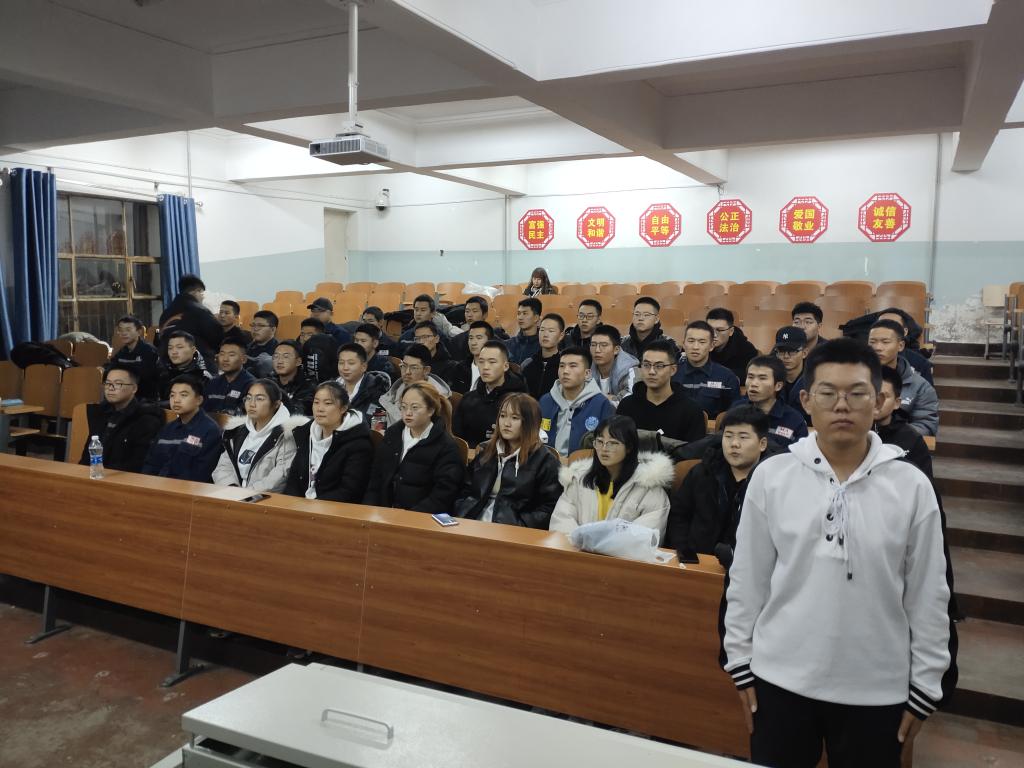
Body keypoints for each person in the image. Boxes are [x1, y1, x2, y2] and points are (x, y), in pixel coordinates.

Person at [722, 338, 954, 768]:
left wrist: (925, 685)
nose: (842, 406)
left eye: (857, 393)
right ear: (806, 401)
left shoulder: (911, 487)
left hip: (878, 689)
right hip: (779, 680)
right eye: (828, 393)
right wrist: (739, 660)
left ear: (879, 401)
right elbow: (748, 577)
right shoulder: (773, 476)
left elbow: (928, 593)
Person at [666, 405, 783, 559]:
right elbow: (679, 516)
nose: (734, 443)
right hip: (696, 562)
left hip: (748, 567)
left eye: (743, 437)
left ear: (762, 444)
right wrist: (684, 552)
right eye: (728, 436)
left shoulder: (775, 483)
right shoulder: (702, 472)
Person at [549, 415, 673, 542]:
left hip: (621, 554)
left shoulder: (650, 489)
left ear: (629, 447)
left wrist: (600, 546)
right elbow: (560, 521)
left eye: (613, 443)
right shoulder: (578, 479)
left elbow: (646, 537)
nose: (604, 449)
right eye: (599, 442)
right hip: (577, 551)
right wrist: (582, 544)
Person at [454, 392, 562, 528]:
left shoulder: (545, 461)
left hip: (510, 531)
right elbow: (464, 489)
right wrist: (461, 511)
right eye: (502, 416)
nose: (506, 423)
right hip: (470, 524)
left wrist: (520, 525)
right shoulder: (486, 451)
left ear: (530, 422)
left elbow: (549, 508)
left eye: (515, 418)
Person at [363, 382, 465, 513]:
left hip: (420, 517)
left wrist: (409, 517)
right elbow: (376, 479)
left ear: (431, 410)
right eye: (403, 407)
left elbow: (443, 494)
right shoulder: (392, 435)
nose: (408, 413)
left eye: (415, 408)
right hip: (384, 514)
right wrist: (370, 510)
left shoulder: (446, 446)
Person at [283, 381, 374, 502]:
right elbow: (293, 480)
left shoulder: (358, 444)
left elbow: (349, 491)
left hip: (333, 508)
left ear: (343, 408)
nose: (320, 409)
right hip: (301, 506)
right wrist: (291, 504)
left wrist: (312, 506)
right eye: (316, 402)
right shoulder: (306, 434)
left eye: (328, 403)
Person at [212, 379, 306, 493]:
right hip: (232, 495)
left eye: (259, 399)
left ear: (276, 404)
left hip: (265, 499)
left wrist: (246, 495)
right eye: (248, 398)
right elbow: (223, 467)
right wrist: (232, 489)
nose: (252, 404)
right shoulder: (236, 431)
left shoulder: (287, 435)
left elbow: (280, 477)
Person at [617, 340, 706, 443]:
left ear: (673, 370)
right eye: (646, 365)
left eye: (659, 366)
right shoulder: (627, 406)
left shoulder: (691, 410)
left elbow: (695, 450)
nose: (651, 371)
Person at [78, 366, 164, 472]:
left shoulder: (147, 419)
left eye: (118, 384)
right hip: (95, 474)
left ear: (134, 388)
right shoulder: (100, 413)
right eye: (108, 383)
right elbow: (87, 456)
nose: (111, 388)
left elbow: (138, 463)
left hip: (123, 478)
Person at [141, 376, 222, 482]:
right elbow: (151, 463)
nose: (176, 400)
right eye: (172, 395)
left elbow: (201, 473)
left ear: (199, 400)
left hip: (188, 488)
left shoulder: (210, 430)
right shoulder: (167, 429)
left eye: (183, 395)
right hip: (157, 486)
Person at [539, 346, 615, 456]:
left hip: (584, 463)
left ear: (587, 373)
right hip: (547, 463)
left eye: (573, 366)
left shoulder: (601, 404)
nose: (565, 371)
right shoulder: (546, 401)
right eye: (562, 366)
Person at [868, 319, 939, 436]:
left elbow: (926, 425)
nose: (878, 347)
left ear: (900, 346)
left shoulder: (920, 386)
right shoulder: (853, 378)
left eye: (885, 342)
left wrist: (889, 436)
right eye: (872, 342)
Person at [452, 340, 527, 447]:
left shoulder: (520, 400)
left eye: (492, 362)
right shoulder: (468, 398)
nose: (485, 367)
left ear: (505, 366)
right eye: (481, 361)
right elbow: (456, 437)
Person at [673, 321, 740, 418]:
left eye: (702, 342)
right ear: (683, 344)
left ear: (711, 346)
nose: (695, 347)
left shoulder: (727, 377)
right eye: (691, 341)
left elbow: (735, 415)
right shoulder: (671, 373)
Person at [737, 355, 809, 447]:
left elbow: (801, 452)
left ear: (778, 386)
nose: (753, 384)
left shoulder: (794, 420)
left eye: (762, 378)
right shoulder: (736, 409)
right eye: (750, 377)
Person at [874, 366, 932, 478]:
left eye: (884, 396)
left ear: (897, 403)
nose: (877, 402)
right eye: (872, 394)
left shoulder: (912, 439)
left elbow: (924, 484)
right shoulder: (853, 433)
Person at [378, 344, 452, 427]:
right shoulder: (396, 389)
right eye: (404, 366)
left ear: (426, 370)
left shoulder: (437, 399)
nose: (407, 372)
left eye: (414, 368)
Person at [158, 274, 222, 369]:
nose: (203, 298)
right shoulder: (200, 311)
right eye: (202, 293)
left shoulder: (165, 314)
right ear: (196, 291)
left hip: (169, 366)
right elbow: (218, 338)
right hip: (198, 367)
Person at [336, 343, 390, 424]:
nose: (345, 368)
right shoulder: (330, 388)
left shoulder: (377, 390)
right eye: (341, 363)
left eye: (351, 363)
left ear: (364, 366)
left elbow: (378, 426)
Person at [110, 314, 161, 400]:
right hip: (125, 397)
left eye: (128, 330)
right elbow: (111, 368)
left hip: (146, 399)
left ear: (139, 332)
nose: (124, 333)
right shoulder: (122, 352)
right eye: (121, 330)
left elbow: (146, 376)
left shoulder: (149, 351)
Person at [877, 310, 934, 385]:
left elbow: (926, 391)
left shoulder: (920, 364)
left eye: (892, 326)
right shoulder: (864, 360)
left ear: (905, 332)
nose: (885, 330)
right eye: (880, 325)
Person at [158, 329, 214, 401]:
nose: (174, 352)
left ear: (193, 350)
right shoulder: (163, 373)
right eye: (170, 348)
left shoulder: (203, 377)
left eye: (179, 347)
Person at [589, 324, 639, 402]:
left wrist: (600, 399)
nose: (597, 350)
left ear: (616, 350)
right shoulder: (586, 366)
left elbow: (631, 400)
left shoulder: (630, 369)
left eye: (603, 345)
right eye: (593, 345)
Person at [203, 340, 255, 415]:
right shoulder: (212, 383)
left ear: (244, 359)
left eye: (231, 355)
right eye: (222, 354)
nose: (225, 359)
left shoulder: (251, 385)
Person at [707, 308, 759, 382]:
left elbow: (752, 375)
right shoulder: (698, 345)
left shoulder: (746, 348)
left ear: (731, 331)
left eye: (720, 330)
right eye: (709, 329)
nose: (714, 335)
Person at [450, 296, 508, 361]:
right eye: (467, 311)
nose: (469, 315)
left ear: (485, 315)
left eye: (474, 311)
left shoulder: (496, 342)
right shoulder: (456, 341)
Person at [521, 313, 564, 399]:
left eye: (551, 331)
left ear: (561, 336)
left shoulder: (564, 365)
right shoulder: (527, 364)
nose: (545, 335)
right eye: (542, 330)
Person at [773, 326, 810, 421]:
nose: (786, 356)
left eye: (792, 351)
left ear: (805, 353)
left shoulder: (815, 380)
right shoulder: (769, 377)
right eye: (781, 351)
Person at [447, 321, 494, 394]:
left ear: (490, 341)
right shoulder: (460, 368)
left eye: (479, 338)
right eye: (471, 338)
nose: (473, 343)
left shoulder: (498, 369)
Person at [270, 340, 315, 417]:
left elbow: (299, 412)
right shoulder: (268, 382)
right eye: (276, 356)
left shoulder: (308, 386)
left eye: (286, 357)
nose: (279, 361)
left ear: (298, 361)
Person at [299, 318, 339, 383]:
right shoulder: (297, 349)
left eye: (310, 335)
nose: (305, 338)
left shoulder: (330, 348)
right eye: (302, 334)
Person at [505, 297, 542, 365]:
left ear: (536, 318)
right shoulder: (508, 344)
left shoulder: (543, 346)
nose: (520, 317)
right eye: (519, 313)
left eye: (525, 313)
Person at [245, 310, 279, 378]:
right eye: (253, 325)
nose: (255, 329)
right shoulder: (246, 348)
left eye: (260, 325)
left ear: (273, 330)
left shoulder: (278, 351)